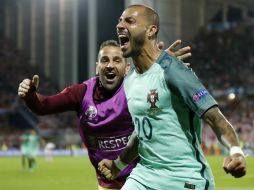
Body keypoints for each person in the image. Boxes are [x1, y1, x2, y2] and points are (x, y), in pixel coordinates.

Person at [98, 4, 246, 190]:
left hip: (184, 178)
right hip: (144, 176)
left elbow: (215, 118)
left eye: (129, 20)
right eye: (119, 20)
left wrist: (236, 151)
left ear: (151, 30)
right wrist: (118, 165)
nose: (120, 25)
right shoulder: (130, 80)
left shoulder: (173, 71)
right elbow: (143, 131)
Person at [18, 39, 191, 189]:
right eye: (104, 60)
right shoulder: (81, 93)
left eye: (117, 60)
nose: (110, 65)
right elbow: (44, 106)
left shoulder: (138, 88)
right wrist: (30, 96)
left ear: (126, 68)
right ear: (97, 67)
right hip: (109, 182)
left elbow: (163, 91)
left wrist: (163, 70)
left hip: (144, 178)